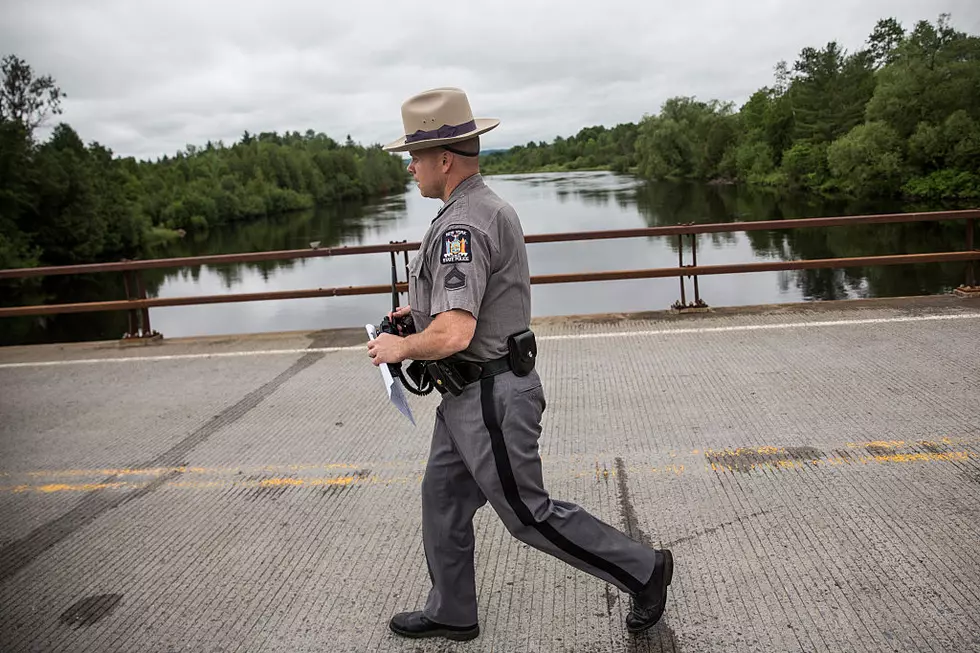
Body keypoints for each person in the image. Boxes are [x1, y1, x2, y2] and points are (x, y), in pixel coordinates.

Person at [366, 87, 673, 642]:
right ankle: (452, 610)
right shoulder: (470, 211)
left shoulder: (464, 225)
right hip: (466, 395)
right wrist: (418, 311)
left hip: (491, 397)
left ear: (444, 159)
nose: (409, 166)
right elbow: (468, 304)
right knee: (443, 501)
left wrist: (400, 347)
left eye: (414, 156)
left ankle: (644, 570)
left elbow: (457, 332)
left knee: (528, 515)